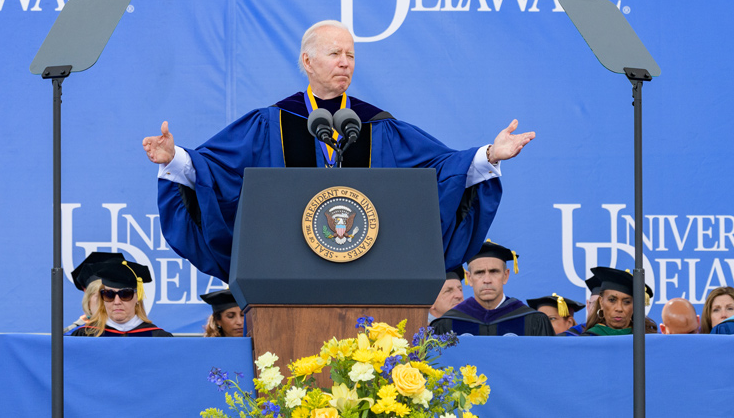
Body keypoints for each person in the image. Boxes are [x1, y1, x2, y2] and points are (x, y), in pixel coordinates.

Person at [143, 20, 535, 283]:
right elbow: (215, 168)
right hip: (287, 272)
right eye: (335, 54)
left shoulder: (378, 125)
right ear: (307, 61)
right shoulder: (271, 123)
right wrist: (175, 158)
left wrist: (489, 154)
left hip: (370, 273)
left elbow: (440, 167)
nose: (345, 62)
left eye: (350, 55)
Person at [430, 241, 554, 336]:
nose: (487, 280)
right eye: (479, 273)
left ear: (505, 275)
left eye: (494, 271)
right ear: (469, 277)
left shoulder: (532, 320)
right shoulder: (447, 323)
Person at [70, 260, 172, 337]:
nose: (117, 302)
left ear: (137, 298)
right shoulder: (84, 336)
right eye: (108, 294)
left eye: (125, 294)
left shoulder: (158, 338)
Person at [64, 251, 130, 334]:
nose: (115, 302)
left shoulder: (144, 334)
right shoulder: (72, 336)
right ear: (88, 298)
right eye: (102, 296)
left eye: (122, 295)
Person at [583, 266, 655, 336]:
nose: (619, 309)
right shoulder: (587, 340)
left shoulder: (647, 341)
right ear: (601, 302)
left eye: (627, 302)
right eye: (612, 300)